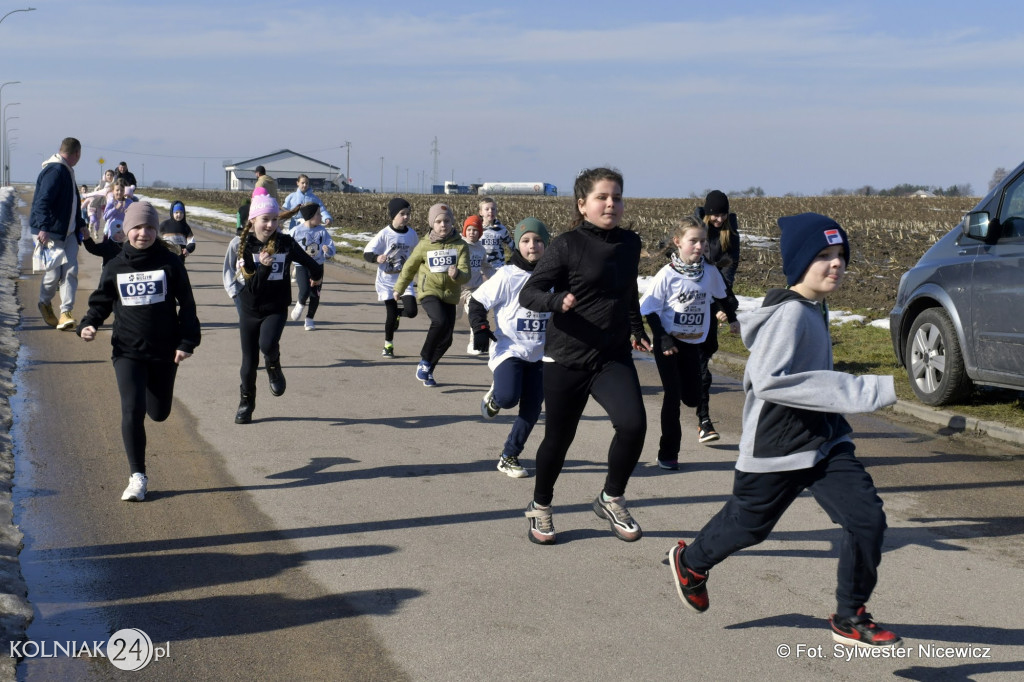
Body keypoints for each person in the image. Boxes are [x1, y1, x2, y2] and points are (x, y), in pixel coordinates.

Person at [668, 212, 902, 649]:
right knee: (749, 526)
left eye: (840, 255)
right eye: (823, 256)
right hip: (777, 446)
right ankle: (690, 563)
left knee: (866, 519)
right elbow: (769, 380)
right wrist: (860, 389)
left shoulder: (815, 307)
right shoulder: (790, 315)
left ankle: (850, 614)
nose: (836, 264)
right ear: (798, 263)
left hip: (825, 440)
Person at [518, 167, 651, 545]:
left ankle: (611, 497)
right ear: (583, 204)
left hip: (611, 356)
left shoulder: (630, 243)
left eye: (617, 197)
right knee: (559, 439)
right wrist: (557, 301)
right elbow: (530, 293)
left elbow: (628, 292)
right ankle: (541, 506)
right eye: (602, 197)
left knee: (633, 425)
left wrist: (637, 328)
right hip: (567, 357)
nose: (611, 203)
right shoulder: (567, 244)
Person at [77, 201, 201, 502]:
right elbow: (101, 301)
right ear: (126, 231)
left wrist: (187, 342)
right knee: (131, 410)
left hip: (163, 350)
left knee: (158, 413)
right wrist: (90, 323)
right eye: (136, 228)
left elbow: (187, 303)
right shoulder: (116, 265)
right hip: (127, 350)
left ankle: (148, 389)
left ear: (156, 231)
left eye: (148, 227)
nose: (142, 233)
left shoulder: (170, 264)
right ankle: (137, 476)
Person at [640, 216, 739, 470]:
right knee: (672, 398)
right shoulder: (667, 275)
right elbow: (650, 309)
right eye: (693, 241)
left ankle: (690, 399)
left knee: (693, 398)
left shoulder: (709, 272)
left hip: (694, 343)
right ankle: (668, 453)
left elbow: (723, 296)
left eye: (702, 241)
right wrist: (661, 337)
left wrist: (732, 319)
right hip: (669, 343)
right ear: (678, 242)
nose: (699, 246)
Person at [232, 188, 324, 424]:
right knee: (248, 362)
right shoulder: (244, 248)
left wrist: (316, 275)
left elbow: (310, 262)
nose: (271, 224)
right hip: (250, 309)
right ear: (252, 221)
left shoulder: (285, 243)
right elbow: (251, 289)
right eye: (265, 219)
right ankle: (246, 402)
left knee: (266, 343)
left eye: (275, 219)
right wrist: (262, 267)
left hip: (275, 307)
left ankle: (273, 363)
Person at [469, 218, 551, 479]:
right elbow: (477, 302)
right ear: (517, 244)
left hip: (541, 354)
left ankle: (509, 455)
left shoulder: (554, 278)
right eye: (526, 241)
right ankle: (495, 397)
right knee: (507, 399)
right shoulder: (507, 275)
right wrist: (481, 328)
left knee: (532, 410)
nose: (532, 246)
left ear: (546, 245)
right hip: (510, 349)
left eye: (538, 241)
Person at [392, 202, 470, 387]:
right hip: (429, 291)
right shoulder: (424, 245)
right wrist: (399, 289)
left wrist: (457, 274)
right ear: (431, 224)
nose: (443, 225)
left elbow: (466, 273)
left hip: (450, 294)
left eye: (447, 221)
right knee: (440, 321)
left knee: (447, 340)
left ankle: (428, 369)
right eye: (438, 222)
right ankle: (425, 359)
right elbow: (409, 268)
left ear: (452, 222)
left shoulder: (460, 246)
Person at [691, 189, 742, 444]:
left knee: (703, 363)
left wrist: (726, 306)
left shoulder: (730, 234)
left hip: (713, 302)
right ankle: (700, 413)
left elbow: (729, 271)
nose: (719, 219)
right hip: (689, 301)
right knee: (691, 370)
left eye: (723, 214)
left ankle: (704, 422)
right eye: (715, 215)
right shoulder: (695, 228)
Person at [30, 137, 87, 331]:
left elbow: (73, 203)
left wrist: (80, 224)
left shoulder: (67, 171)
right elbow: (41, 201)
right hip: (49, 232)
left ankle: (65, 313)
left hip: (68, 233)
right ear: (77, 153)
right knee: (54, 273)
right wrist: (44, 227)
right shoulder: (55, 171)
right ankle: (45, 302)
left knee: (70, 271)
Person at [289, 203, 337, 330]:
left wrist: (328, 250)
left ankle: (309, 319)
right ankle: (300, 304)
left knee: (315, 294)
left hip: (317, 266)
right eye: (318, 214)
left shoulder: (322, 231)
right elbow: (286, 245)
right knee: (304, 290)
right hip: (301, 266)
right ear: (310, 216)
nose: (321, 216)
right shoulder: (296, 231)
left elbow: (331, 245)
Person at [459, 215, 495, 355]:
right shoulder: (459, 245)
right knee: (451, 318)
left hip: (474, 288)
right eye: (469, 229)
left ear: (480, 233)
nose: (472, 233)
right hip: (458, 288)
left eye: (475, 230)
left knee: (475, 315)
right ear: (464, 231)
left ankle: (473, 344)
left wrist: (496, 278)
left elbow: (486, 267)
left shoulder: (481, 249)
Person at [479, 196, 513, 270]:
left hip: (498, 268)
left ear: (496, 211)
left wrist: (512, 262)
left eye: (493, 209)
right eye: (487, 209)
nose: (490, 211)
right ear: (481, 212)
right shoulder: (476, 229)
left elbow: (512, 246)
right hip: (482, 268)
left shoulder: (501, 229)